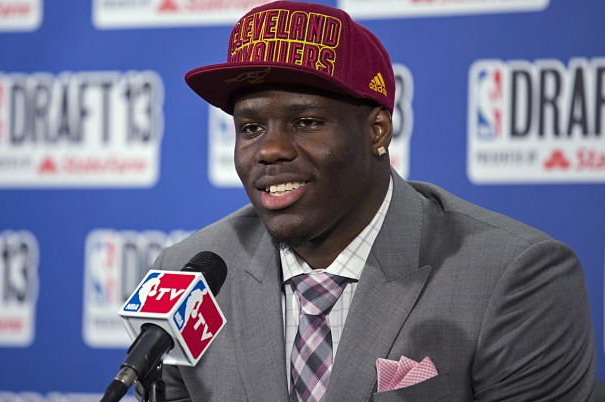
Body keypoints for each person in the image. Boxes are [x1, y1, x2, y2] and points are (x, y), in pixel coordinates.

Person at [150, 1, 596, 400]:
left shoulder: (513, 277)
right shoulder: (188, 275)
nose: (269, 150)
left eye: (306, 122)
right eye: (251, 128)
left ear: (377, 131)